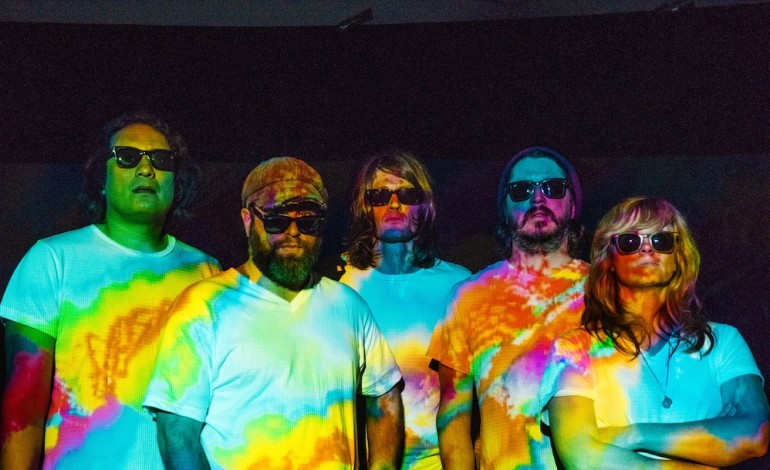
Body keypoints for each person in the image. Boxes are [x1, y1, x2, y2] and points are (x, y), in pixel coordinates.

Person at [143, 156, 405, 469]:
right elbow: (176, 432)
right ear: (247, 220)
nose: (293, 232)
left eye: (307, 221)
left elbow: (385, 399)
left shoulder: (348, 306)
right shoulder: (204, 306)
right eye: (277, 221)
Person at [0, 112, 221, 469]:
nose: (146, 169)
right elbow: (23, 409)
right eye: (127, 157)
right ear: (101, 178)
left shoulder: (207, 272)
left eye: (160, 160)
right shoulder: (53, 259)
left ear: (176, 181)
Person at [539, 196, 770, 468]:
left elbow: (755, 435)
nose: (647, 249)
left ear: (678, 258)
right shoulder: (574, 349)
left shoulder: (722, 343)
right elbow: (583, 460)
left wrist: (632, 435)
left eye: (662, 240)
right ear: (607, 260)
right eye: (630, 241)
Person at [428, 146, 588, 469]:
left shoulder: (604, 288)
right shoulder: (469, 296)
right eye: (521, 190)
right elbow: (453, 417)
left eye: (553, 188)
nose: (538, 199)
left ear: (573, 205)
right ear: (504, 208)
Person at [340, 150, 471, 469]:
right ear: (364, 206)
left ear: (425, 205)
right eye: (380, 195)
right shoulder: (344, 289)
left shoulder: (458, 285)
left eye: (407, 194)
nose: (394, 204)